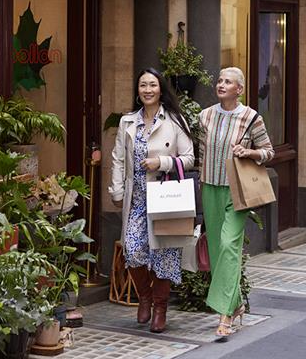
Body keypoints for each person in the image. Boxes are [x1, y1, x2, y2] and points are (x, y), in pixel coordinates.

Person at [108, 68, 195, 333]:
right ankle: (144, 297)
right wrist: (116, 191)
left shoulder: (174, 120)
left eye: (153, 85)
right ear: (138, 90)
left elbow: (189, 158)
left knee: (164, 255)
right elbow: (118, 158)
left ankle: (160, 308)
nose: (148, 90)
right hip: (136, 199)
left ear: (161, 89)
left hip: (164, 197)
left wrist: (161, 162)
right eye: (143, 85)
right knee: (133, 251)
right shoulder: (128, 122)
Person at [199, 67, 274, 338]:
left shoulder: (251, 118)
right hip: (210, 187)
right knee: (217, 250)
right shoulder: (205, 116)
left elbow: (269, 152)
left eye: (228, 82)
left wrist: (249, 152)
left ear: (239, 89)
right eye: (219, 80)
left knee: (229, 245)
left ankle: (225, 315)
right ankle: (237, 302)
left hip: (237, 190)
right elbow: (201, 152)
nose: (221, 85)